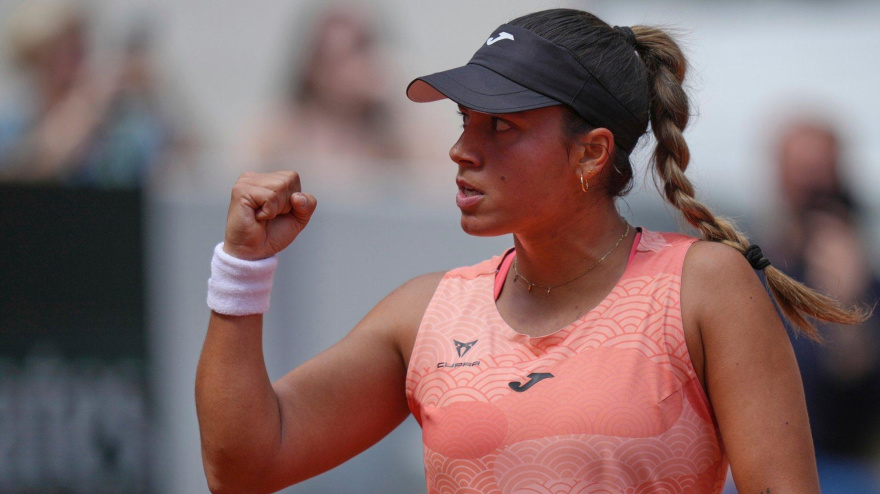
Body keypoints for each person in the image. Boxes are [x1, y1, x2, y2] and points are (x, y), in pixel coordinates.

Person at [196, 9, 867, 493]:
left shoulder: (705, 285)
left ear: (591, 153)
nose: (461, 149)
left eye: (501, 125)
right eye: (465, 120)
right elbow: (244, 467)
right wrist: (241, 269)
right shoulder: (425, 313)